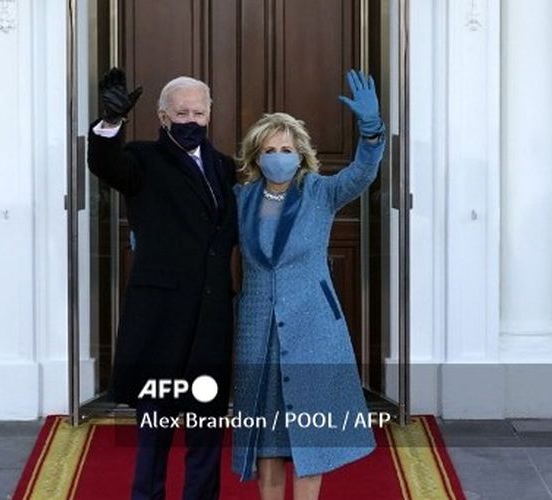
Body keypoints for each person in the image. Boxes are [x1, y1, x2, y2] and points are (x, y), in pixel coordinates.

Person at [231, 69, 386, 500]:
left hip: (314, 330)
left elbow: (362, 174)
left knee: (311, 443)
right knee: (267, 441)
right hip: (257, 333)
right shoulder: (241, 199)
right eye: (269, 149)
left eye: (286, 148)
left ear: (300, 154)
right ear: (255, 157)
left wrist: (371, 132)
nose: (279, 155)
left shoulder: (320, 192)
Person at [87, 68, 238, 500]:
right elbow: (106, 163)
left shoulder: (224, 167)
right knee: (154, 429)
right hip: (160, 322)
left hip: (210, 321)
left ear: (210, 114)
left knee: (206, 430)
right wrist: (110, 123)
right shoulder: (141, 159)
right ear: (162, 115)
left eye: (198, 111)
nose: (190, 119)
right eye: (181, 112)